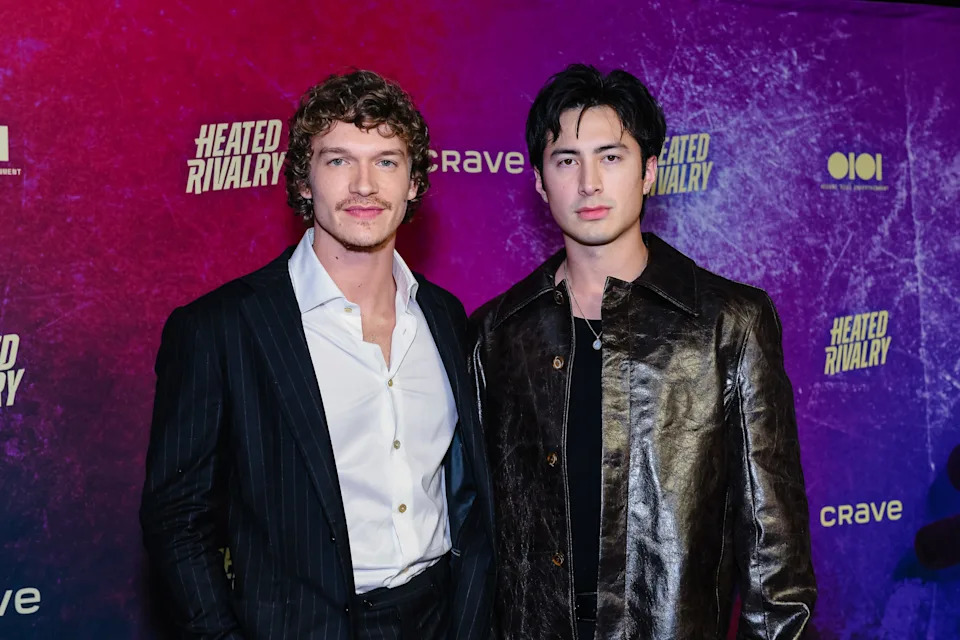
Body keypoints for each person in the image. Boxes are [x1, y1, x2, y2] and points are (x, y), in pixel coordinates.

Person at [141, 70, 494, 640]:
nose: (363, 185)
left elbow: (468, 497)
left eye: (386, 161)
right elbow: (177, 521)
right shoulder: (220, 329)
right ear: (304, 181)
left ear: (413, 182)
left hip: (441, 618)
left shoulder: (447, 319)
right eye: (337, 161)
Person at [471, 64, 816, 639]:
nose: (589, 183)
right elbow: (478, 540)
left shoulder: (730, 323)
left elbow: (774, 560)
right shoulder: (498, 333)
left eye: (611, 157)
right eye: (566, 161)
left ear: (649, 170)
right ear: (538, 180)